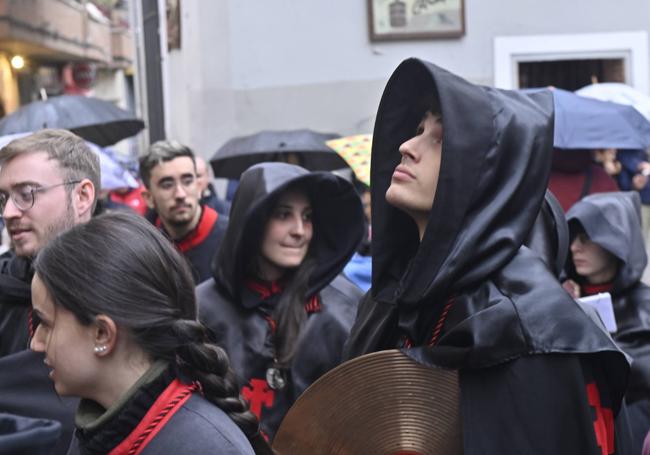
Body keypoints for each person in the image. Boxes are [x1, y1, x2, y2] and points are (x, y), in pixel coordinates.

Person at [343, 58, 631, 454]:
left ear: (486, 175)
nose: (407, 147)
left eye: (439, 139)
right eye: (418, 130)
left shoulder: (529, 330)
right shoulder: (390, 301)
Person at [31, 212, 264, 454]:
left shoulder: (207, 447)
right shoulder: (99, 423)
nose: (35, 343)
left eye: (46, 324)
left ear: (102, 334)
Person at [196, 162, 364, 440]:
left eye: (307, 217)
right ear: (252, 220)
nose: (300, 230)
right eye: (283, 214)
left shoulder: (342, 307)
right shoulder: (203, 308)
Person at [0, 128, 99, 454]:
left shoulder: (128, 290)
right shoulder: (7, 290)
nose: (9, 213)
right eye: (3, 198)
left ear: (82, 196)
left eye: (26, 193)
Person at [564, 191, 650, 454]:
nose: (575, 247)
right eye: (573, 238)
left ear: (616, 243)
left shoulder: (644, 307)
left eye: (586, 239)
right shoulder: (559, 296)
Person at [140, 140, 228, 284]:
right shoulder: (144, 249)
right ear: (149, 198)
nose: (180, 194)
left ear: (199, 187)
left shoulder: (231, 238)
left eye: (187, 181)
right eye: (167, 185)